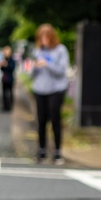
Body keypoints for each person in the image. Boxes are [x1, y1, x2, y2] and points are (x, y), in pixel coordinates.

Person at [30, 24, 70, 165]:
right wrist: (35, 66)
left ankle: (57, 151)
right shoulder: (37, 51)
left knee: (55, 119)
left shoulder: (60, 50)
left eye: (46, 37)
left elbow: (61, 71)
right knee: (41, 120)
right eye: (41, 37)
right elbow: (31, 74)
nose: (44, 40)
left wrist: (47, 63)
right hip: (40, 89)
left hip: (56, 89)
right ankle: (41, 150)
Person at [0, 46, 16, 112]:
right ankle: (5, 106)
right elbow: (2, 69)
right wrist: (2, 66)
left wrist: (6, 65)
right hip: (4, 78)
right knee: (4, 93)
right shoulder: (4, 59)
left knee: (10, 93)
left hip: (10, 78)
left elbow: (12, 68)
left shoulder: (12, 60)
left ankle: (10, 106)